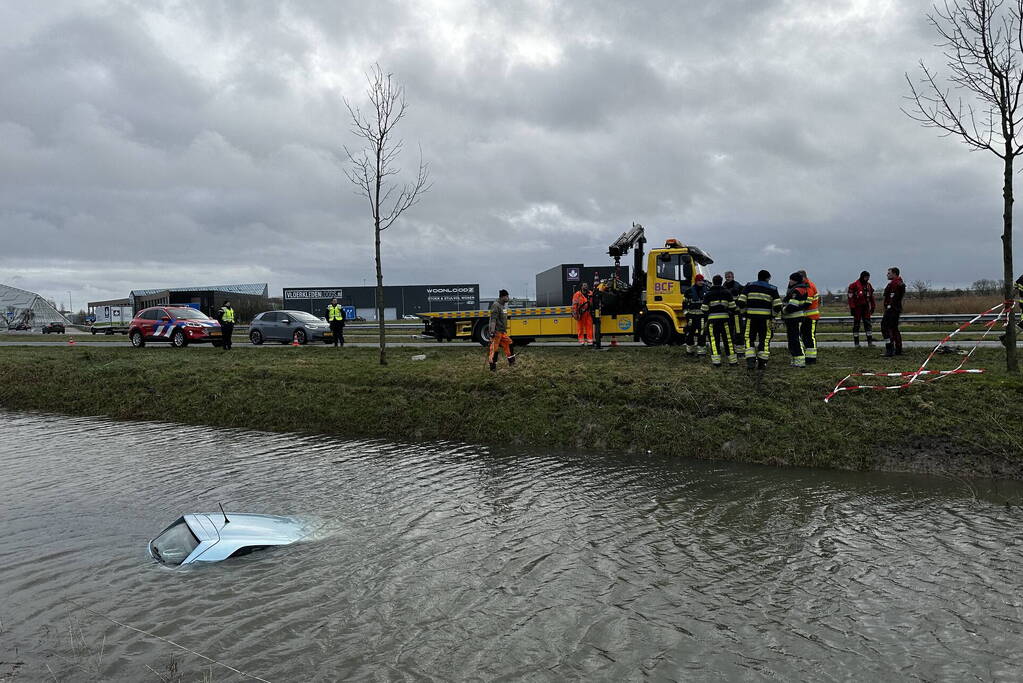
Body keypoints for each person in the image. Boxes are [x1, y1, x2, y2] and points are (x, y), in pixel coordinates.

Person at [737, 270, 783, 370]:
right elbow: (778, 305)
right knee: (765, 340)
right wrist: (773, 315)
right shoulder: (772, 289)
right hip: (766, 320)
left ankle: (750, 361)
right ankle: (762, 363)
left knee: (749, 339)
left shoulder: (749, 286)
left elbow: (740, 301)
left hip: (751, 319)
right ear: (767, 278)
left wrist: (744, 312)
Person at [702, 275, 738, 367]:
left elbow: (704, 309)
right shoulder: (727, 293)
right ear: (721, 281)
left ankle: (716, 362)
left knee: (714, 341)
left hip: (712, 322)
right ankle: (733, 362)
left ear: (713, 282)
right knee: (728, 341)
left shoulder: (708, 294)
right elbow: (733, 307)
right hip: (725, 321)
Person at [782, 272, 811, 368]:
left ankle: (800, 361)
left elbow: (792, 306)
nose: (789, 281)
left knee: (795, 340)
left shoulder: (797, 290)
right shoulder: (798, 289)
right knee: (792, 340)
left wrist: (783, 310)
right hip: (792, 319)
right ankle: (795, 360)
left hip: (794, 318)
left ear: (795, 281)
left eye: (791, 279)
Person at [488, 289, 515, 371]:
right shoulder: (496, 305)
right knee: (494, 349)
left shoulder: (503, 306)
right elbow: (493, 320)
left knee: (509, 343)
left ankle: (511, 361)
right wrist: (492, 331)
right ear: (502, 297)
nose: (508, 298)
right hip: (496, 332)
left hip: (502, 331)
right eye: (507, 296)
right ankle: (492, 367)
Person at [881, 267, 906, 357]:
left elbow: (893, 298)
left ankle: (889, 349)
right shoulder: (898, 283)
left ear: (894, 274)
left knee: (885, 328)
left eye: (889, 273)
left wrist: (888, 307)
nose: (887, 275)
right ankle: (898, 349)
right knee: (894, 328)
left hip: (892, 310)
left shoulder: (895, 284)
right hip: (895, 309)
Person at [847, 271, 876, 347]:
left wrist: (873, 306)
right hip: (857, 308)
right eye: (866, 277)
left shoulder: (869, 285)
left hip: (866, 308)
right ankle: (856, 343)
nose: (867, 279)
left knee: (868, 324)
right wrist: (852, 308)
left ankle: (870, 342)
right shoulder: (853, 285)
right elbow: (850, 298)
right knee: (856, 325)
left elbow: (871, 297)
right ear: (862, 277)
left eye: (868, 277)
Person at [683, 274, 710, 356]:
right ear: (696, 281)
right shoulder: (689, 291)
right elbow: (684, 304)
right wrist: (686, 315)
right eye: (699, 280)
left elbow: (709, 304)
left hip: (702, 317)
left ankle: (701, 353)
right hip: (691, 317)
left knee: (702, 334)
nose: (701, 282)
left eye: (702, 280)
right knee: (690, 334)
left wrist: (707, 315)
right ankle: (689, 352)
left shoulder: (706, 291)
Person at [798, 269, 820, 364]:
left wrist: (796, 307)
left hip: (811, 317)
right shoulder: (806, 285)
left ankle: (811, 359)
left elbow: (808, 301)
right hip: (807, 317)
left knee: (810, 337)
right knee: (805, 337)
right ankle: (808, 357)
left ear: (803, 277)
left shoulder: (809, 286)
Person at [723, 271, 746, 355]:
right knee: (728, 332)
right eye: (726, 277)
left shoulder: (738, 286)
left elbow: (743, 297)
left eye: (729, 277)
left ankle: (740, 352)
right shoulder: (724, 286)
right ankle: (730, 350)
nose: (727, 278)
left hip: (736, 313)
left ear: (733, 277)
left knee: (739, 332)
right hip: (728, 313)